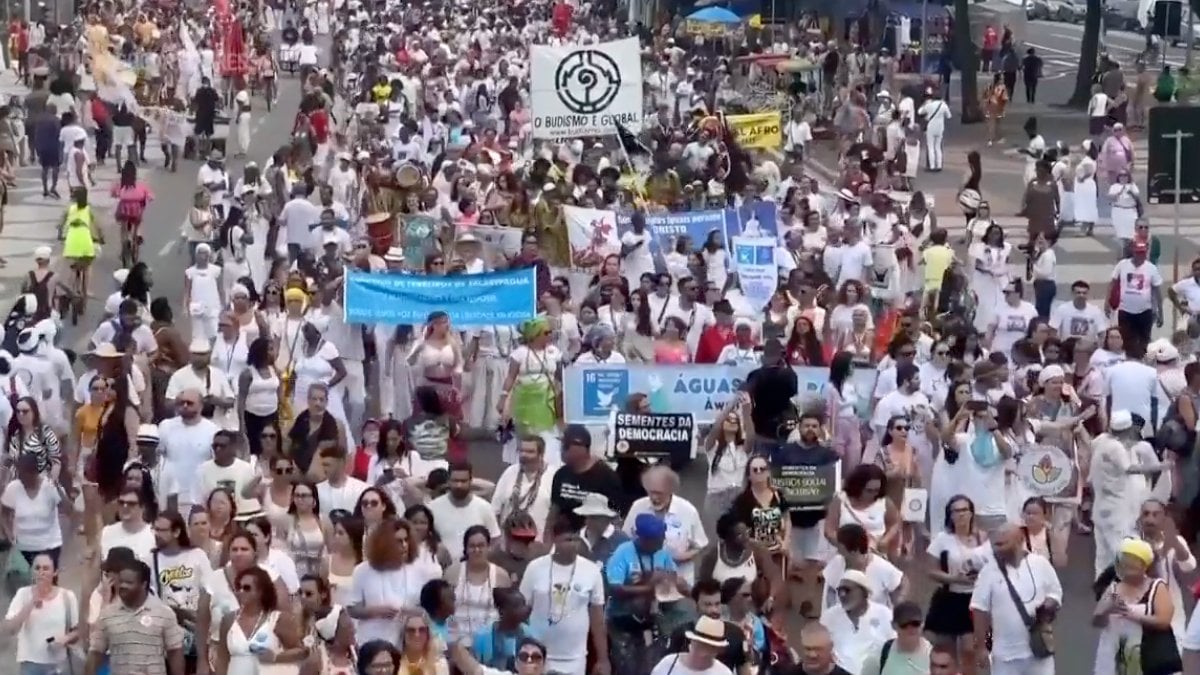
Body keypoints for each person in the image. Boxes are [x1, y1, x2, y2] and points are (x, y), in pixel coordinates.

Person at [969, 524, 1062, 675]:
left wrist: (1047, 606)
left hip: (1039, 651)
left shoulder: (1040, 563)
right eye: (996, 544)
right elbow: (979, 609)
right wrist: (980, 647)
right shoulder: (989, 571)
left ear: (1020, 540)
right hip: (1005, 657)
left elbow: (1055, 593)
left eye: (1003, 544)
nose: (998, 549)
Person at [1093, 537, 1180, 675]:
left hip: (1147, 657)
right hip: (1114, 656)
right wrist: (1106, 609)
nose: (1127, 569)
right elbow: (1096, 622)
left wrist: (1132, 615)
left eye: (1132, 565)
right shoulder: (1113, 588)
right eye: (1125, 564)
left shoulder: (1157, 587)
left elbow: (1164, 621)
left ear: (1144, 566)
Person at [86, 559, 187, 675]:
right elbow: (95, 653)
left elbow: (175, 652)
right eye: (121, 581)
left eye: (129, 582)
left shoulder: (164, 613)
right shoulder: (107, 615)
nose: (122, 586)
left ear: (143, 584)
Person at [0, 551, 80, 674]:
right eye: (37, 568)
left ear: (55, 572)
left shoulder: (67, 596)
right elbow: (8, 629)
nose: (41, 572)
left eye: (46, 568)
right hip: (30, 665)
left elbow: (77, 631)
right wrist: (31, 603)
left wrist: (65, 639)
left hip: (59, 664)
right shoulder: (23, 594)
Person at [859, 601, 932, 674]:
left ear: (922, 624)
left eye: (915, 623)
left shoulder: (932, 655)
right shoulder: (881, 654)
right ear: (894, 626)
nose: (910, 628)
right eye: (904, 624)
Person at [650, 616, 735, 675]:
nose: (703, 653)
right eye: (701, 645)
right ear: (692, 642)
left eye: (709, 648)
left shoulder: (723, 673)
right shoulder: (668, 664)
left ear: (717, 651)